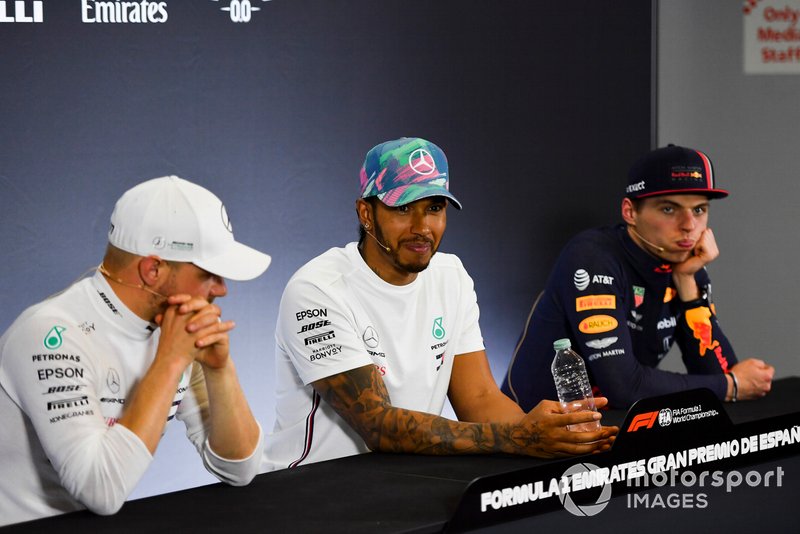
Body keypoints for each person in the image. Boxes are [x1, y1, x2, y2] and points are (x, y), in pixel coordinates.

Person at [263, 137, 616, 471]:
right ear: (366, 214)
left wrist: (552, 437)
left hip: (404, 479)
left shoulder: (451, 275)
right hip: (311, 488)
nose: (422, 227)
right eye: (403, 208)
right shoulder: (317, 289)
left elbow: (478, 398)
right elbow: (378, 425)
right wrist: (522, 437)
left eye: (434, 208)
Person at [0, 176, 271, 526]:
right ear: (153, 269)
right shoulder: (50, 332)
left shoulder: (172, 328)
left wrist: (220, 371)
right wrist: (171, 361)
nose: (221, 289)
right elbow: (100, 491)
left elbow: (240, 469)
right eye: (210, 273)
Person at [502, 145, 774, 410]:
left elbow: (721, 372)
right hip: (532, 431)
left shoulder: (687, 266)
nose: (689, 225)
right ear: (630, 212)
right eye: (669, 209)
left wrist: (687, 281)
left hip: (606, 427)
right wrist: (730, 386)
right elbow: (623, 387)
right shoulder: (592, 257)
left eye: (699, 210)